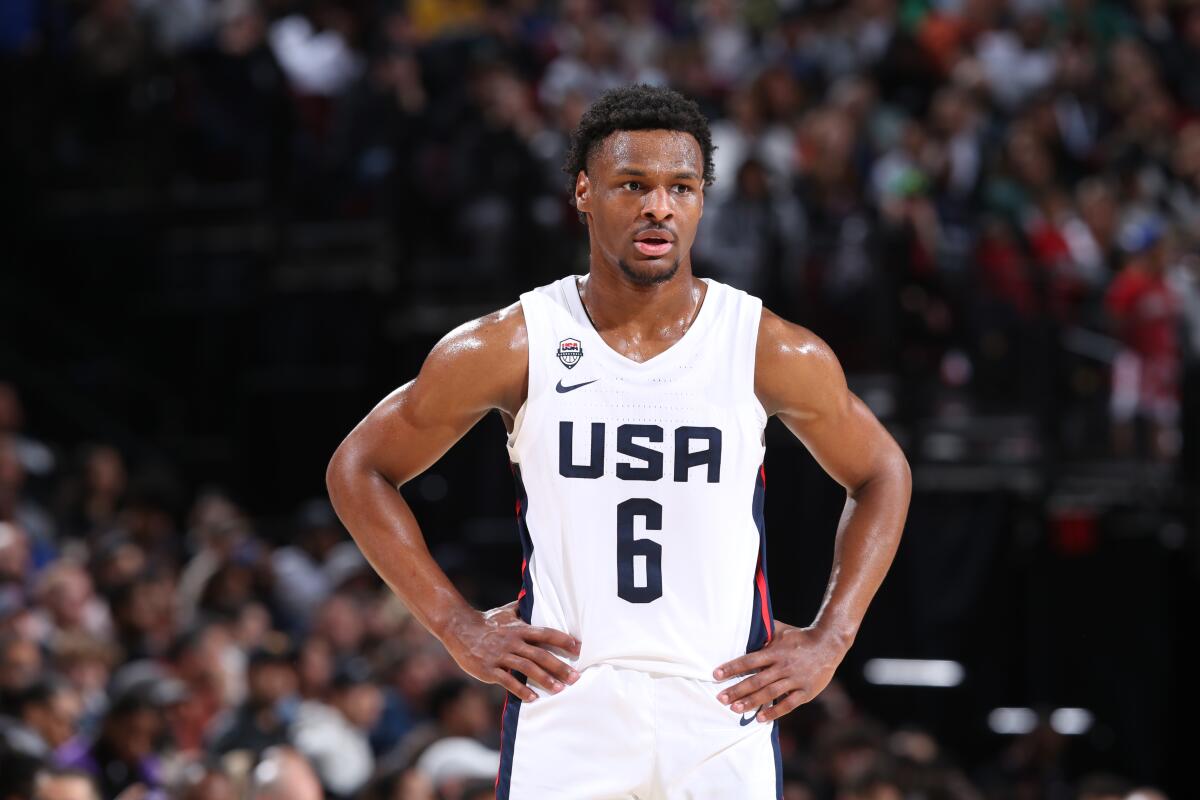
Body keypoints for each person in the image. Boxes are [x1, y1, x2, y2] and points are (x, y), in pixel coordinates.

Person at [326, 84, 911, 798]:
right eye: (632, 185)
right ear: (584, 192)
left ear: (701, 201)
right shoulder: (515, 342)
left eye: (681, 187)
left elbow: (882, 470)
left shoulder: (764, 347)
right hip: (569, 702)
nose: (658, 206)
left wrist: (833, 637)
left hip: (721, 703)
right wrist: (455, 624)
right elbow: (359, 467)